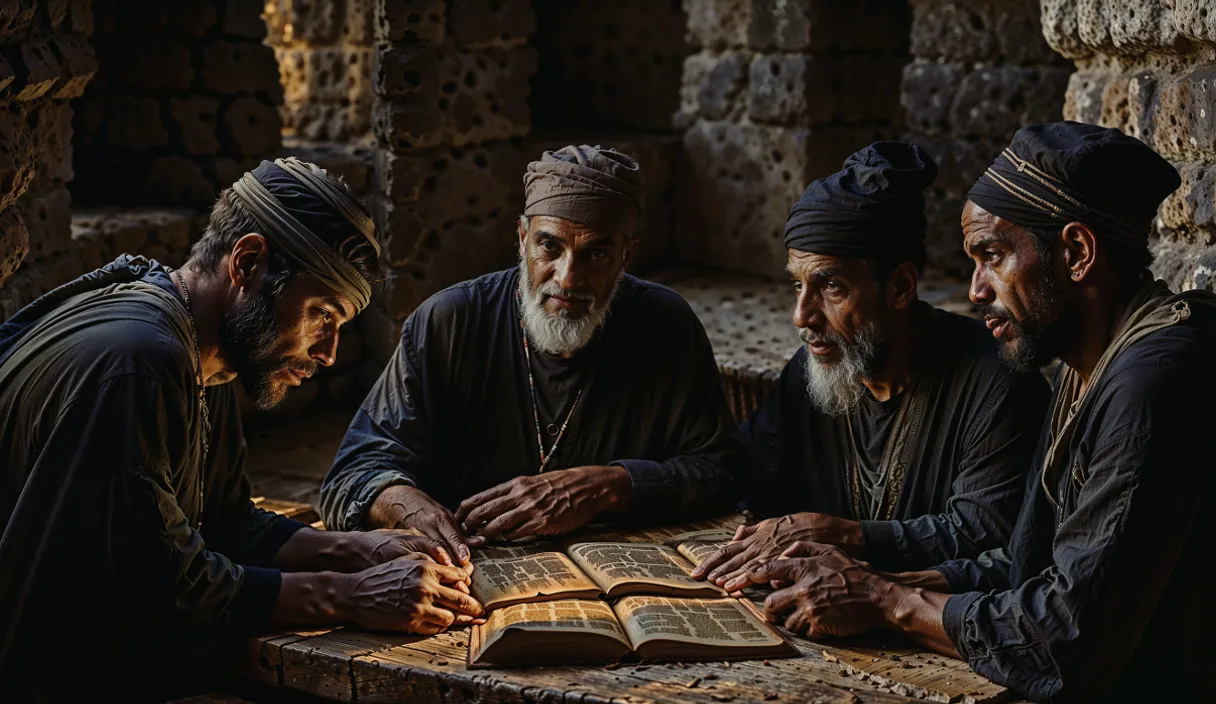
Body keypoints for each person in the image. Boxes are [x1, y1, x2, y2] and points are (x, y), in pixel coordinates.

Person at [729, 122, 1216, 702]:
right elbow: (1027, 562)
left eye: (993, 256)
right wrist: (875, 582)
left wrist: (890, 602)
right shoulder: (1088, 363)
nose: (976, 289)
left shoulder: (1154, 380)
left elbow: (1065, 634)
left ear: (1077, 253)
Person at [0, 159, 482, 702]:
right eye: (321, 315)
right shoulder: (141, 360)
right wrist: (349, 595)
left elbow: (225, 522)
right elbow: (167, 590)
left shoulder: (204, 353)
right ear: (248, 262)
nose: (327, 354)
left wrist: (357, 549)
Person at [320, 145, 746, 562]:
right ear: (522, 239)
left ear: (625, 256)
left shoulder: (665, 325)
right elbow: (354, 474)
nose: (569, 278)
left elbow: (724, 472)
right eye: (550, 247)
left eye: (596, 253)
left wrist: (607, 486)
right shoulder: (450, 320)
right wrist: (407, 507)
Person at [692, 142, 1049, 590]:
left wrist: (843, 536)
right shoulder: (812, 371)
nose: (802, 316)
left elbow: (988, 531)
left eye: (831, 287)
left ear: (899, 287)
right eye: (798, 285)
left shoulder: (996, 382)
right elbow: (741, 473)